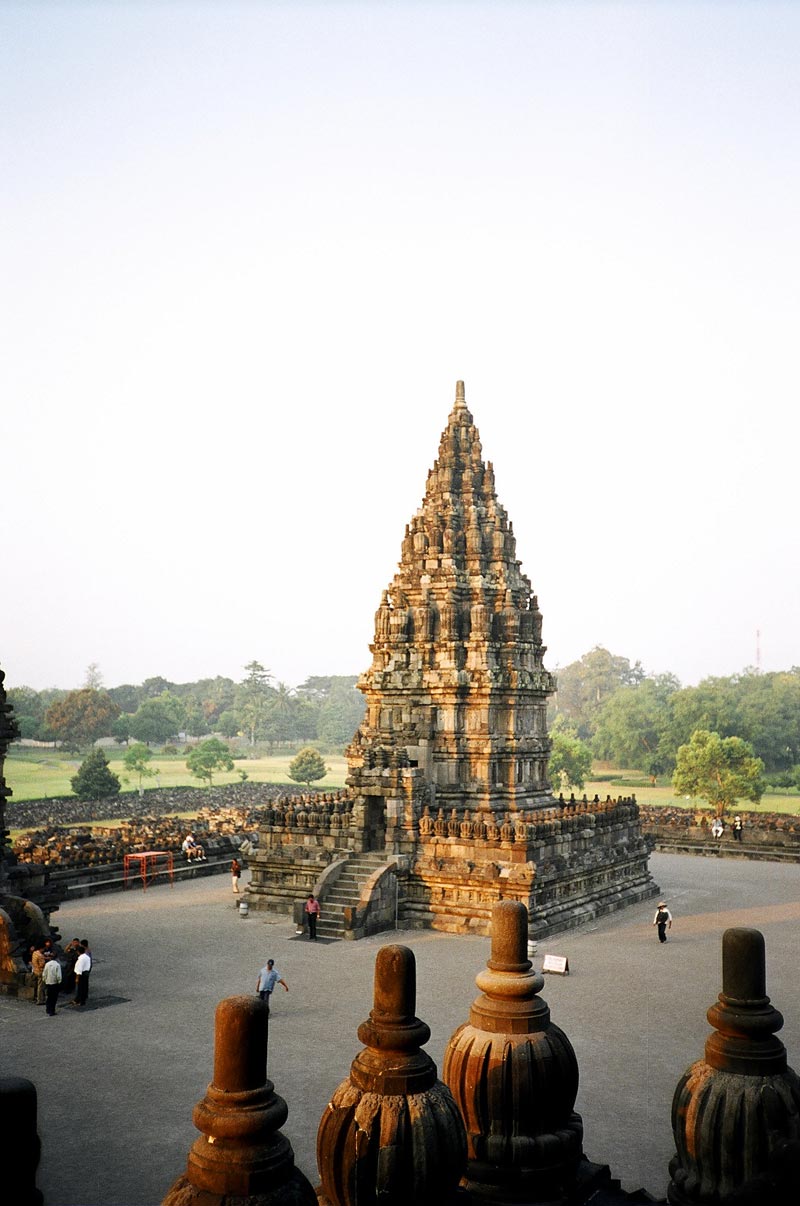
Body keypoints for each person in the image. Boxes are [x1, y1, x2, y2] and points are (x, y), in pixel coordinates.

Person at [72, 939, 92, 1007]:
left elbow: (79, 970)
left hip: (81, 974)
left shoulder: (80, 959)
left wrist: (77, 978)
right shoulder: (87, 956)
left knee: (80, 988)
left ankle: (80, 1000)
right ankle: (82, 999)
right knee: (84, 986)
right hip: (86, 972)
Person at [42, 951, 62, 1016]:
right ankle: (52, 1011)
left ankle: (48, 1009)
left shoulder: (47, 964)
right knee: (54, 998)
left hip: (48, 982)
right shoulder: (57, 965)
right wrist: (59, 981)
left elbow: (44, 973)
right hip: (54, 983)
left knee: (49, 997)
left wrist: (44, 980)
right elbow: (59, 975)